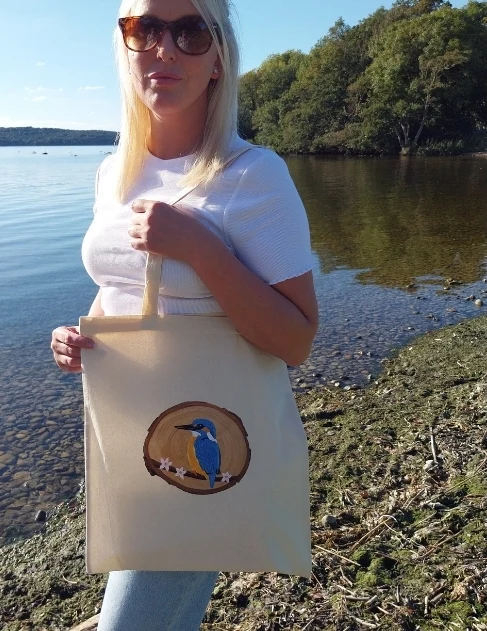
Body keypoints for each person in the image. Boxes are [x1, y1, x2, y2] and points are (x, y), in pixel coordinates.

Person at [50, 0, 319, 628]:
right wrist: (82, 335)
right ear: (124, 45)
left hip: (204, 427)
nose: (164, 49)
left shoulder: (254, 176)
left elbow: (297, 339)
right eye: (144, 28)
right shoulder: (114, 172)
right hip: (131, 429)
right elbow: (120, 288)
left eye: (191, 32)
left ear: (219, 58)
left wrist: (201, 248)